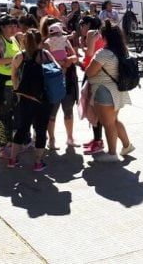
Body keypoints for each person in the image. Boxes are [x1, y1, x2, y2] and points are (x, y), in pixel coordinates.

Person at [84, 20, 134, 162]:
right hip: (118, 90)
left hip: (104, 91)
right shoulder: (123, 51)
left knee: (109, 124)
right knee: (114, 120)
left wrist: (90, 47)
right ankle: (127, 146)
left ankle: (112, 154)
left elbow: (89, 72)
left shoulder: (104, 53)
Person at [8, 29, 56, 172]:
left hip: (25, 99)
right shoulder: (45, 55)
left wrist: (18, 92)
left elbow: (13, 76)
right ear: (40, 40)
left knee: (22, 129)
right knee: (41, 130)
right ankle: (38, 162)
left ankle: (12, 159)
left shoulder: (19, 56)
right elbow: (57, 71)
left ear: (24, 41)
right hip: (43, 99)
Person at [0, 15, 23, 159]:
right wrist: (13, 59)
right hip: (2, 85)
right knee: (3, 116)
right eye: (10, 26)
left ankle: (11, 143)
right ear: (2, 27)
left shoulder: (14, 39)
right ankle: (2, 147)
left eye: (15, 26)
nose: (13, 29)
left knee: (13, 116)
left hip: (15, 83)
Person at [42, 20, 79, 149]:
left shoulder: (65, 41)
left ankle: (70, 138)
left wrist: (68, 60)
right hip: (53, 81)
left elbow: (75, 57)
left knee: (68, 110)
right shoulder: (46, 44)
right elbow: (44, 61)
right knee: (52, 112)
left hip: (67, 80)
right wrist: (62, 63)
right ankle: (51, 140)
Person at [78, 15, 105, 155]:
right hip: (100, 73)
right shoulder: (101, 33)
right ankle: (96, 139)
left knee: (93, 107)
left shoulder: (90, 33)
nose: (81, 28)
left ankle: (98, 141)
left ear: (88, 25)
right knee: (95, 107)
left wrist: (84, 47)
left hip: (91, 73)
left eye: (82, 25)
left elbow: (90, 53)